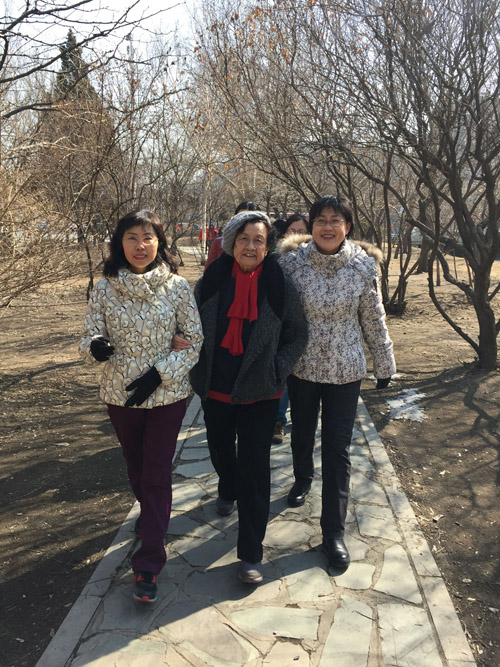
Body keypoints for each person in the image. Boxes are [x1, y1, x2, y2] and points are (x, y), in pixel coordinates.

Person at [79, 210, 203, 603]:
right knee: (136, 465)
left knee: (156, 473)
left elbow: (195, 342)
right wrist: (95, 347)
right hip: (121, 394)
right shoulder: (104, 288)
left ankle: (148, 562)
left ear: (159, 244)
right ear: (120, 243)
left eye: (148, 237)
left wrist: (160, 373)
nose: (140, 245)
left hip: (167, 394)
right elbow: (88, 336)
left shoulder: (177, 287)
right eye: (131, 237)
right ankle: (150, 516)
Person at [186, 210, 308, 584]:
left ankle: (251, 554)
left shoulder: (279, 284)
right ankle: (227, 485)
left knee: (255, 469)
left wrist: (277, 369)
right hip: (216, 386)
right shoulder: (211, 280)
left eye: (258, 240)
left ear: (268, 246)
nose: (251, 247)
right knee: (221, 450)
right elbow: (187, 323)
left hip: (260, 392)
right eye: (244, 239)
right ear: (231, 243)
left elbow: (297, 333)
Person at [278, 195, 396, 572]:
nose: (327, 227)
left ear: (347, 226)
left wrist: (384, 362)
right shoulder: (291, 264)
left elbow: (373, 317)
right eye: (321, 220)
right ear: (311, 225)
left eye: (336, 220)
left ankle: (333, 533)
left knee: (337, 450)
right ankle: (302, 478)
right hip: (303, 368)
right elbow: (277, 316)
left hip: (346, 371)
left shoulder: (363, 266)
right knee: (301, 434)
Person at [271, 213, 309, 444]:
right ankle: (278, 421)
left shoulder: (319, 260)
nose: (297, 236)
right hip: (284, 329)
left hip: (311, 331)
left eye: (302, 231)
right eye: (292, 231)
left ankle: (303, 418)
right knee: (284, 377)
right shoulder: (277, 260)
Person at [204, 201, 257, 270]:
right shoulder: (219, 243)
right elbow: (208, 273)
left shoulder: (264, 247)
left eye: (251, 220)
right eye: (241, 217)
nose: (245, 223)